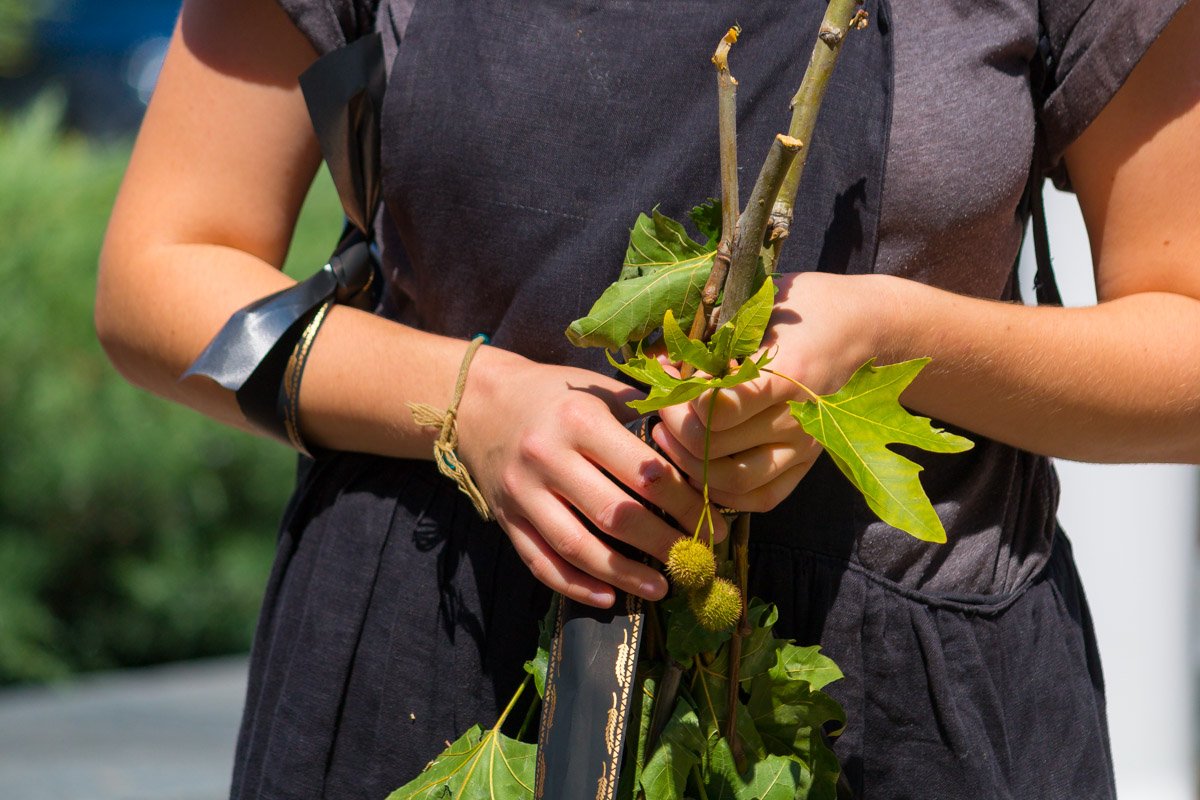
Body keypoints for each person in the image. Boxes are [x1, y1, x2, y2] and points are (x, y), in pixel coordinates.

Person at [97, 0, 1200, 797]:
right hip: (429, 672)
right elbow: (159, 272)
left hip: (905, 721)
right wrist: (463, 400)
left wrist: (894, 339)